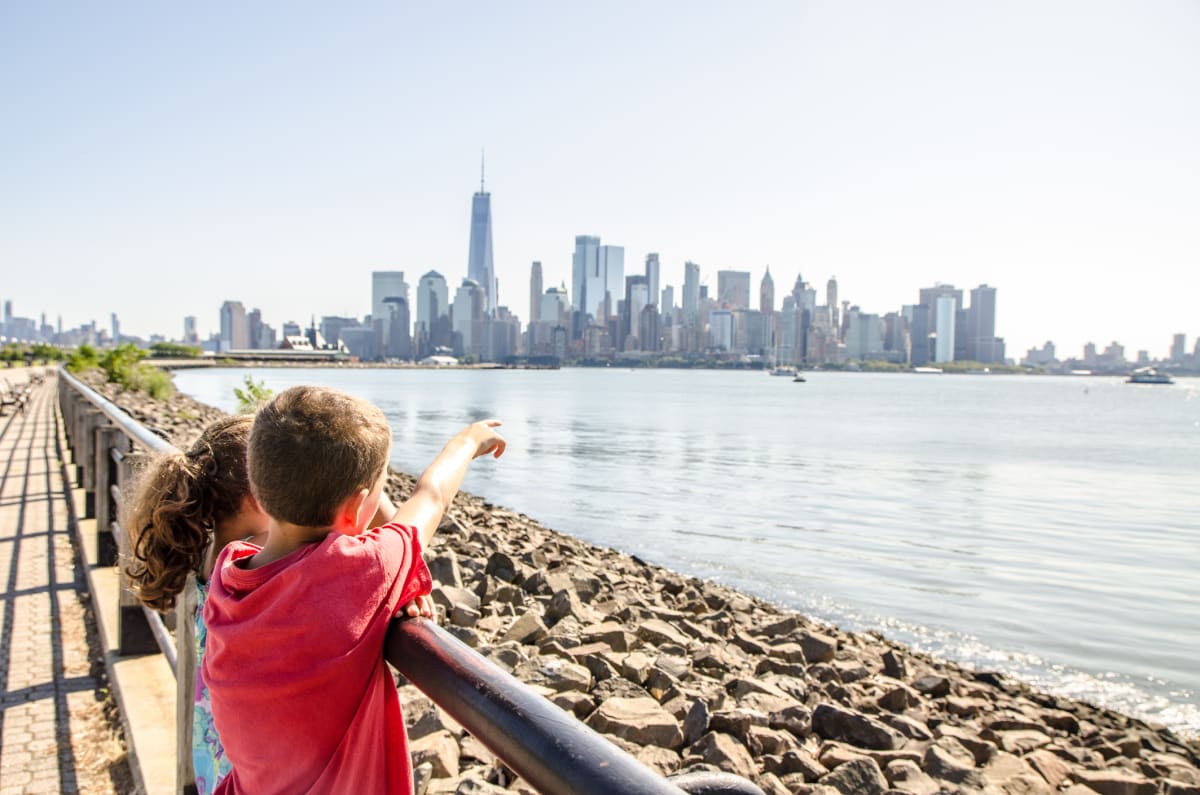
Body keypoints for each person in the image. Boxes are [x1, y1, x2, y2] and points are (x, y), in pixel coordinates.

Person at [202, 385, 505, 794]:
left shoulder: (228, 570)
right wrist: (467, 442)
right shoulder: (359, 570)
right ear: (355, 508)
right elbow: (431, 498)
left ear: (258, 491)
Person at [124, 414, 434, 795]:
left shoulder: (222, 559)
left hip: (218, 756)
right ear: (259, 496)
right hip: (261, 769)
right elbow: (387, 533)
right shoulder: (264, 558)